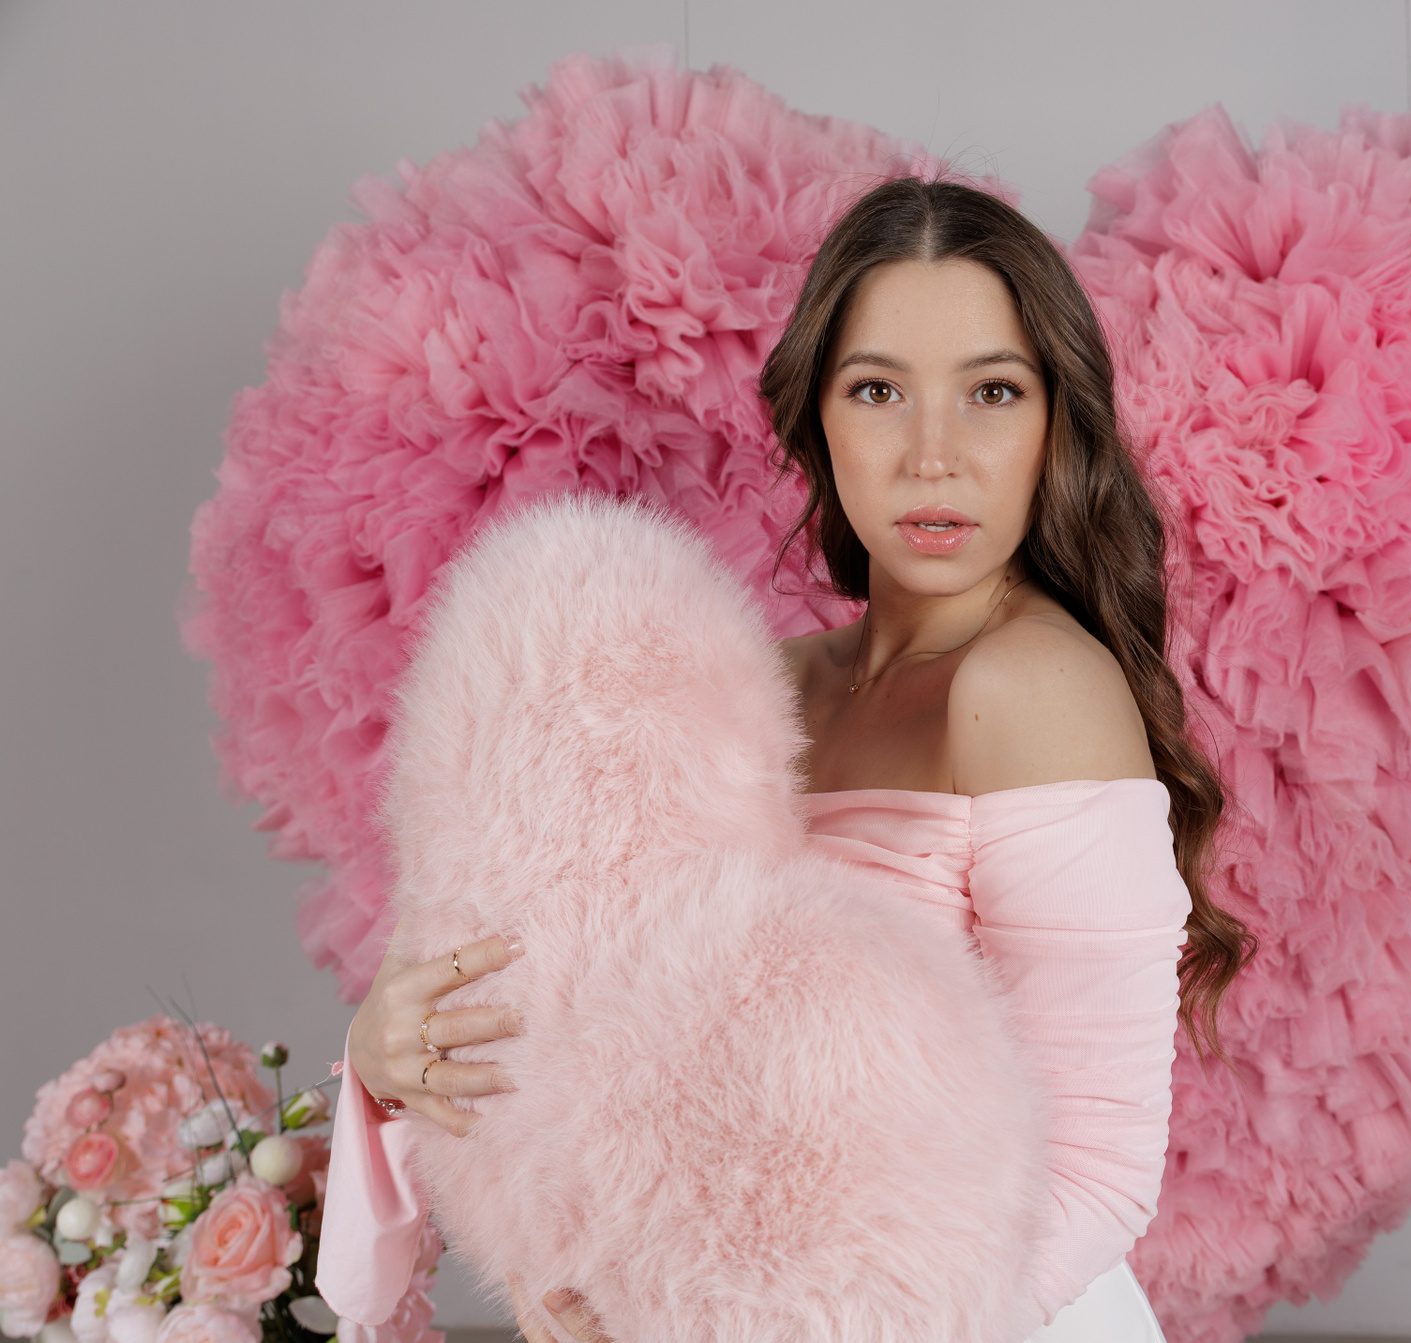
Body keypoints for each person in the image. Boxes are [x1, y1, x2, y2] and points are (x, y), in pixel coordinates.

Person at [333, 178, 1252, 1342]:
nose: (932, 456)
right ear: (815, 419)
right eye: (878, 391)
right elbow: (612, 1022)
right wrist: (389, 1050)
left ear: (1057, 422)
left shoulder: (1032, 688)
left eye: (992, 391)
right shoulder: (761, 691)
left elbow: (1099, 1170)